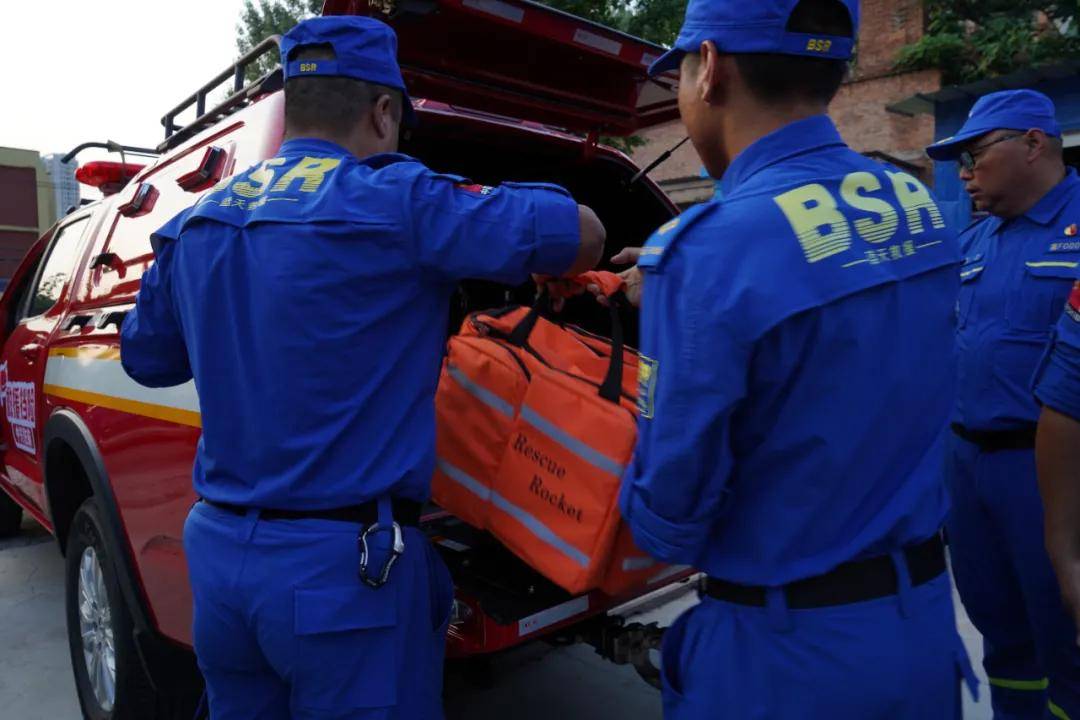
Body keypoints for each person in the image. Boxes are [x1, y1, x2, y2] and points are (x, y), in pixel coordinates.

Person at [119, 15, 604, 720]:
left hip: (220, 563)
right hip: (342, 577)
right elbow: (583, 235)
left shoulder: (196, 224)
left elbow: (147, 358)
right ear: (383, 112)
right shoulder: (398, 203)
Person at [615, 0, 972, 716]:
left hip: (785, 660)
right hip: (921, 629)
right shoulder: (913, 203)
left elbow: (668, 514)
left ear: (709, 69)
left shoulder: (706, 250)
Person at [925, 88, 1080, 720]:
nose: (963, 173)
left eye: (976, 154)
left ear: (1034, 144)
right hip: (968, 466)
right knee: (1000, 630)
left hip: (1047, 476)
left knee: (1065, 634)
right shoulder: (974, 242)